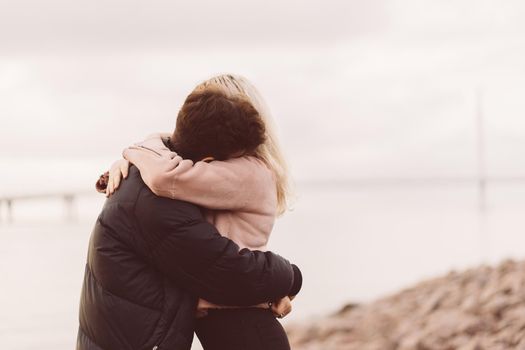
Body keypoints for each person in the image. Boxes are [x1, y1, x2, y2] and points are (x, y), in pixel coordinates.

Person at [78, 84, 302, 350]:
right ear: (208, 161)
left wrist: (137, 152)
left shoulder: (150, 185)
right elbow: (228, 271)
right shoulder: (157, 203)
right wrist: (291, 276)